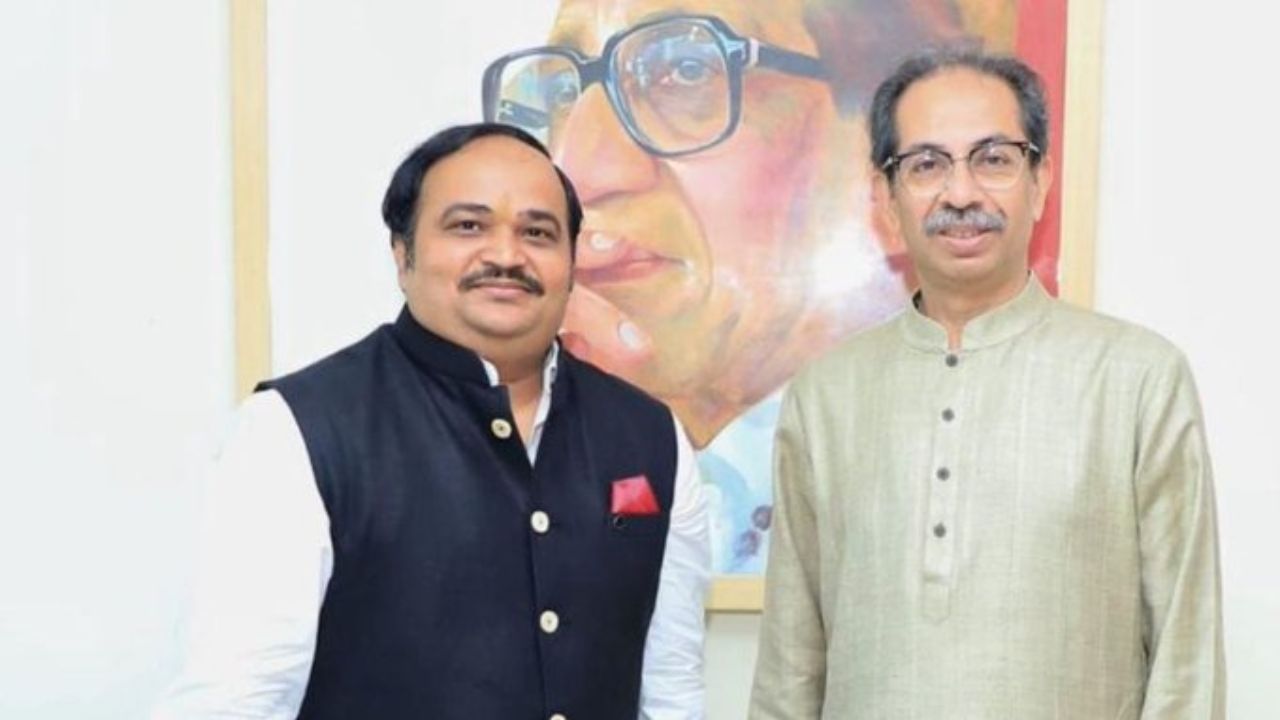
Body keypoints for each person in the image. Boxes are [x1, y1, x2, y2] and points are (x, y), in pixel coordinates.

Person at [154, 123, 710, 719]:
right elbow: (233, 700)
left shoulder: (651, 438)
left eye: (537, 232)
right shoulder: (296, 432)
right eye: (468, 226)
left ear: (571, 263)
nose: (506, 255)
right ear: (403, 253)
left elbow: (671, 691)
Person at [750, 50, 1225, 718]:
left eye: (993, 159)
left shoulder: (1138, 379)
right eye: (927, 165)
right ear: (886, 196)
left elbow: (1187, 660)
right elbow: (788, 667)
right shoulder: (825, 396)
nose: (961, 194)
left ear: (1040, 181)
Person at [482, 0, 1029, 573]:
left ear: (886, 169)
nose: (575, 169)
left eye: (685, 70)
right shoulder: (532, 446)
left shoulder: (967, 477)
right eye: (560, 94)